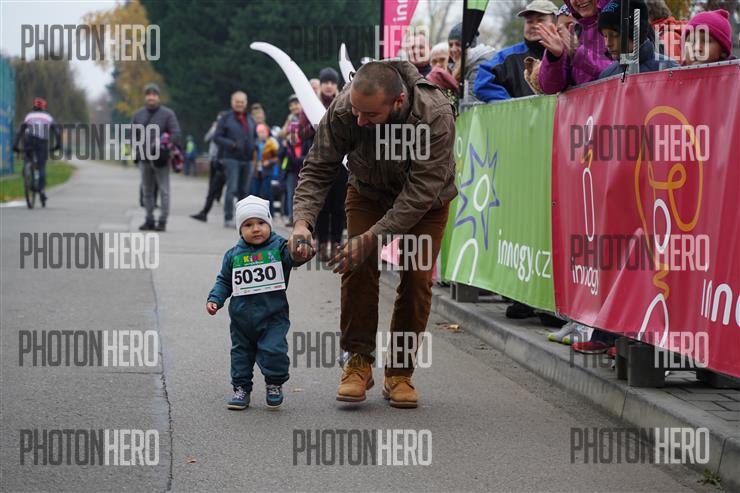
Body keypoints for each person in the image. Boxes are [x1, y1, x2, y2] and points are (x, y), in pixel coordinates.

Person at [289, 61, 457, 409]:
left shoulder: (435, 114)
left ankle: (399, 373)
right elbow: (319, 166)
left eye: (370, 115)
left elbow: (420, 193)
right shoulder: (346, 108)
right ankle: (358, 362)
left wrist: (372, 238)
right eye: (357, 112)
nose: (360, 120)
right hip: (367, 190)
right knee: (358, 265)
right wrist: (303, 222)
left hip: (426, 202)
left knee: (417, 278)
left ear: (398, 102)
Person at [207, 196, 310, 410]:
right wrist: (215, 299)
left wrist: (303, 250)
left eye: (261, 223)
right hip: (241, 319)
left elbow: (295, 257)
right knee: (240, 354)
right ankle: (241, 388)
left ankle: (274, 383)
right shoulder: (233, 255)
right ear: (240, 230)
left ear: (269, 224)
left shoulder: (280, 248)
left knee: (274, 350)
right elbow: (224, 281)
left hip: (273, 316)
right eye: (248, 225)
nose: (255, 229)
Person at [474, 0, 559, 101]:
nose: (534, 25)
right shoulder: (507, 57)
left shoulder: (567, 53)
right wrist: (511, 104)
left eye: (540, 20)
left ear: (555, 24)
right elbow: (483, 83)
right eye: (529, 21)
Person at [132, 83, 181, 232]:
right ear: (145, 97)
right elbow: (132, 135)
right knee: (147, 191)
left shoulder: (168, 114)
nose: (151, 97)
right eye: (148, 94)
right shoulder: (138, 114)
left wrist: (166, 148)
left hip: (161, 160)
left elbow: (176, 133)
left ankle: (162, 221)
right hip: (144, 159)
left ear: (158, 97)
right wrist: (137, 151)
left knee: (164, 191)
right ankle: (149, 220)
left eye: (154, 95)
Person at [311, 67, 348, 261]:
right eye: (325, 82)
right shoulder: (311, 102)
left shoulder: (343, 102)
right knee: (322, 206)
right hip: (320, 163)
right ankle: (321, 243)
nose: (328, 86)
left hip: (341, 163)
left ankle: (335, 244)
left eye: (332, 82)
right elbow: (301, 132)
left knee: (339, 206)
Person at [536, 0, 613, 93]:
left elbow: (623, 72)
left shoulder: (622, 19)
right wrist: (554, 57)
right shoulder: (571, 36)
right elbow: (550, 88)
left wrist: (578, 53)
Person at [597, 0, 678, 78]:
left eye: (615, 35)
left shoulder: (669, 69)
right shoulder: (607, 75)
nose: (608, 44)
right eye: (605, 36)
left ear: (636, 32)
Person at [214, 91, 258, 228]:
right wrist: (231, 144)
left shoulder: (250, 119)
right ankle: (228, 217)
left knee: (244, 191)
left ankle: (242, 219)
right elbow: (217, 137)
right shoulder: (225, 118)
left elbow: (255, 136)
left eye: (242, 102)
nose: (239, 104)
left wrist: (254, 145)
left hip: (247, 159)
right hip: (231, 158)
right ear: (232, 102)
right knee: (232, 188)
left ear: (246, 103)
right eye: (237, 102)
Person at [13, 97, 61, 207]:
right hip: (42, 142)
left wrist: (15, 145)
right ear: (44, 108)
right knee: (41, 166)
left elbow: (20, 131)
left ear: (34, 107)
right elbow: (57, 132)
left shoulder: (29, 116)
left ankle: (27, 172)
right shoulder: (48, 117)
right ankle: (41, 190)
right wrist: (58, 145)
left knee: (28, 158)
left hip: (29, 141)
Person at [191, 112, 227, 222]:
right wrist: (213, 129)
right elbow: (207, 138)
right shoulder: (216, 130)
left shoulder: (227, 131)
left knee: (234, 190)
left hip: (228, 162)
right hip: (216, 160)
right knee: (213, 186)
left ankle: (233, 215)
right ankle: (204, 213)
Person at [449, 24, 496, 103]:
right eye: (450, 45)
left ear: (469, 46)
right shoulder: (460, 64)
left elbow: (471, 102)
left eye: (458, 44)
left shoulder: (481, 65)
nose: (453, 49)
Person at [278, 94, 305, 227]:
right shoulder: (290, 121)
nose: (294, 107)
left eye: (296, 104)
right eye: (291, 105)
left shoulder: (305, 120)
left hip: (301, 159)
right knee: (291, 192)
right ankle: (291, 216)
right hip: (290, 163)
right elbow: (285, 137)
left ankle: (301, 217)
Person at [250, 123, 279, 208]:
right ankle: (256, 210)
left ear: (266, 132)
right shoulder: (255, 143)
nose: (261, 134)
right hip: (256, 171)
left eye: (263, 132)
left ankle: (270, 211)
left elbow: (277, 157)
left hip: (267, 171)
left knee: (267, 193)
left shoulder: (271, 143)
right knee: (255, 193)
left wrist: (269, 162)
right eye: (259, 132)